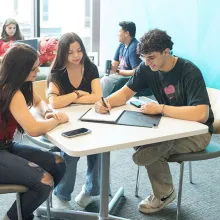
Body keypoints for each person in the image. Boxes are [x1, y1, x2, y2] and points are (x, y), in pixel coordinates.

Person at [95, 29, 214, 214]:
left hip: (197, 133)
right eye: (143, 57)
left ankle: (164, 194)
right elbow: (125, 93)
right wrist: (105, 102)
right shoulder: (147, 67)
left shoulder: (189, 71)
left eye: (151, 57)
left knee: (149, 147)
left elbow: (202, 114)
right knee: (143, 139)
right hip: (168, 127)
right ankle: (149, 152)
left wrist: (161, 109)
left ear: (166, 52)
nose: (147, 62)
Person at [0, 43, 69, 220]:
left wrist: (46, 111)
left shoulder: (22, 85)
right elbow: (33, 129)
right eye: (33, 68)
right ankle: (13, 217)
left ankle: (22, 213)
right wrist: (55, 120)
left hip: (6, 146)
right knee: (44, 181)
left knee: (58, 163)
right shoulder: (11, 91)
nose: (38, 71)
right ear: (20, 70)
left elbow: (38, 102)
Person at [47, 32, 102, 209]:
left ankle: (90, 191)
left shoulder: (91, 68)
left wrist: (69, 99)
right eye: (70, 52)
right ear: (63, 53)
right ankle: (61, 195)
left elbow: (98, 97)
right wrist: (78, 94)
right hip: (65, 122)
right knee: (70, 154)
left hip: (90, 119)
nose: (76, 55)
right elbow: (54, 102)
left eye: (79, 50)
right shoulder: (57, 72)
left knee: (99, 150)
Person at [101, 21, 142, 97]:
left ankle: (104, 103)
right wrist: (111, 69)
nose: (117, 34)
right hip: (120, 74)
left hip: (127, 77)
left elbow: (136, 72)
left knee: (105, 80)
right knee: (99, 73)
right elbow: (115, 64)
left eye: (119, 31)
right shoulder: (122, 45)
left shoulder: (134, 47)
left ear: (126, 33)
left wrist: (118, 71)